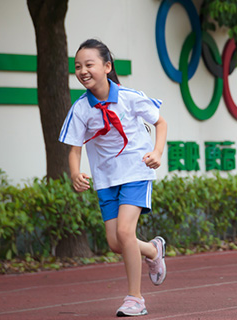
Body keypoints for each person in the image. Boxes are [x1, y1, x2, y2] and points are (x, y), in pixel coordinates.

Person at [59, 39, 169, 317]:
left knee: (124, 232)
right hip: (105, 179)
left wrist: (156, 151)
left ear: (107, 67)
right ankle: (154, 251)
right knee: (115, 242)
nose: (83, 71)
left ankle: (135, 299)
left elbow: (161, 122)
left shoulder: (130, 97)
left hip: (136, 171)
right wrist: (75, 172)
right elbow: (75, 149)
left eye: (89, 64)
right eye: (78, 66)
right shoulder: (81, 108)